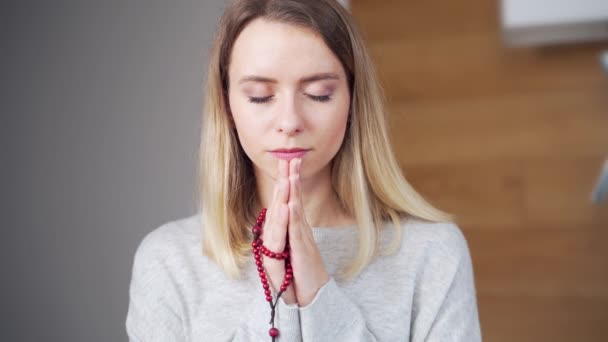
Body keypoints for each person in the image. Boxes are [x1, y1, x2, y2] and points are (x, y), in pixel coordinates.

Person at [126, 0, 482, 341]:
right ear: (227, 105)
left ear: (352, 100)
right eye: (261, 97)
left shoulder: (431, 253)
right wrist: (277, 299)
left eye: (318, 94)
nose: (290, 122)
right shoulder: (169, 261)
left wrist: (318, 296)